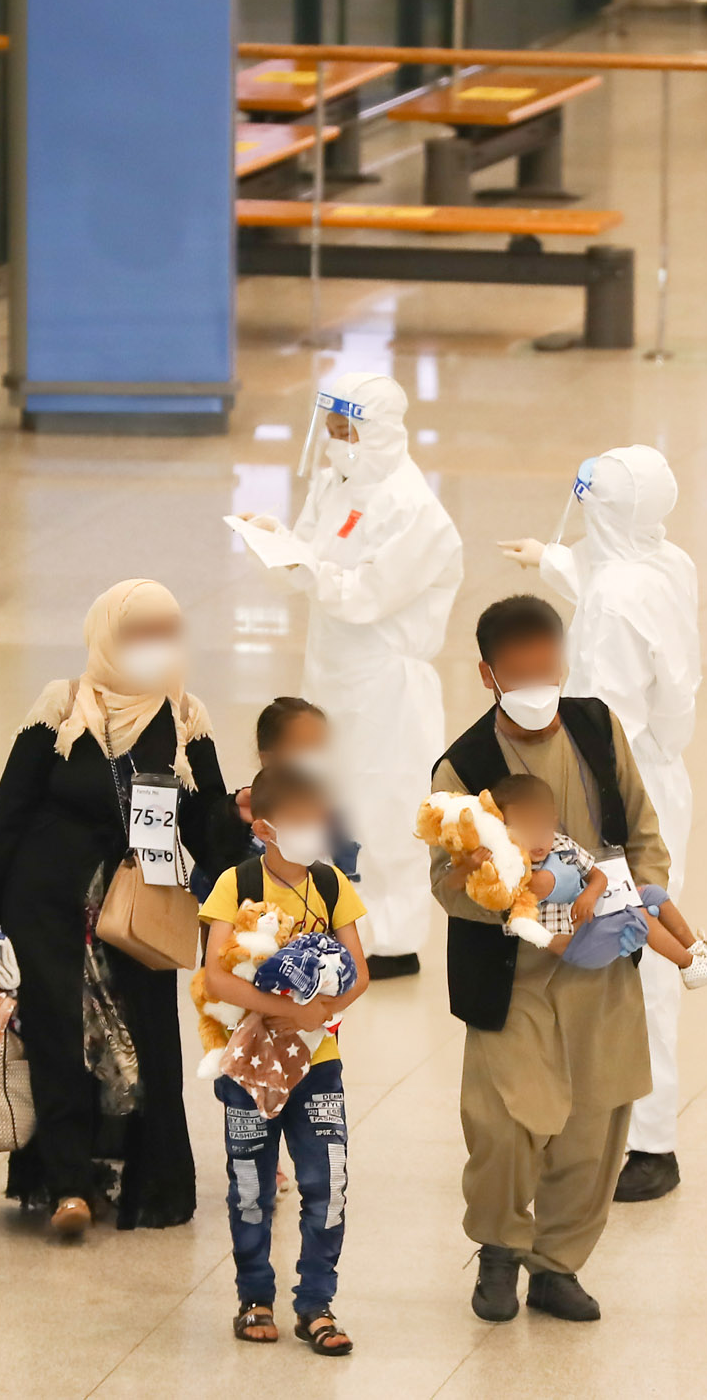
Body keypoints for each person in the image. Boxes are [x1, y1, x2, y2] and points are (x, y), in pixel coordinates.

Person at [0, 579, 249, 1234]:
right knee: (59, 1042)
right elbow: (9, 814)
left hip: (136, 914)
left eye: (163, 635)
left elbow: (209, 831)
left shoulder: (182, 718)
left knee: (139, 1048)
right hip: (49, 907)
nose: (152, 648)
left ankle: (135, 1177)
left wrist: (243, 823)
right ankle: (68, 1185)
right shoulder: (62, 707)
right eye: (139, 634)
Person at [430, 595, 663, 1324]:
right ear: (487, 673)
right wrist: (515, 893)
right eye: (520, 671)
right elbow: (446, 880)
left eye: (547, 666)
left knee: (594, 1126)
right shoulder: (462, 767)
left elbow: (643, 827)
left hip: (601, 967)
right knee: (503, 1123)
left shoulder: (598, 728)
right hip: (516, 971)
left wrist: (640, 895)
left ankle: (558, 1262)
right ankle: (499, 1248)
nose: (538, 682)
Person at [497, 444, 706, 1203]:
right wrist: (550, 558)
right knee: (624, 946)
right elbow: (608, 572)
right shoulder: (665, 560)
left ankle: (649, 1142)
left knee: (628, 949)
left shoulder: (616, 597)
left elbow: (604, 714)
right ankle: (614, 1122)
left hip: (616, 786)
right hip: (658, 773)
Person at [243, 371, 461, 977]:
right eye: (333, 430)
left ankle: (390, 938)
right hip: (333, 668)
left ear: (384, 433)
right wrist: (277, 541)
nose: (339, 442)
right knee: (327, 792)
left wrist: (304, 563)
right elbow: (313, 558)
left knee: (384, 804)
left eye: (351, 431)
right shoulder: (337, 481)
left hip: (385, 682)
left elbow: (366, 594)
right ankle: (331, 918)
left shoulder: (415, 510)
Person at [199, 765, 369, 1356]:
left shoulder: (331, 884)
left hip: (318, 1062)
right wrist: (273, 1006)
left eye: (319, 817)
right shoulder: (234, 882)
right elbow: (216, 974)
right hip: (249, 1064)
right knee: (250, 1181)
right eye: (299, 821)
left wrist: (317, 1013)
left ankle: (317, 1302)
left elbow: (359, 971)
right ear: (265, 828)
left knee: (330, 1179)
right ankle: (254, 1296)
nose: (314, 829)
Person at [487, 773, 707, 983]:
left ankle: (696, 949)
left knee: (653, 894)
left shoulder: (562, 844)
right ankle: (689, 967)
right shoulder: (507, 864)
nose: (537, 838)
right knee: (640, 917)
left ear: (553, 819)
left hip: (595, 917)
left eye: (541, 826)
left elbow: (598, 876)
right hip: (576, 945)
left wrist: (590, 894)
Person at [194, 696, 359, 900]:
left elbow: (343, 892)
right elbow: (213, 880)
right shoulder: (242, 814)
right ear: (268, 759)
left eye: (320, 747)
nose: (315, 757)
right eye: (304, 746)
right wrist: (230, 816)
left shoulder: (331, 820)